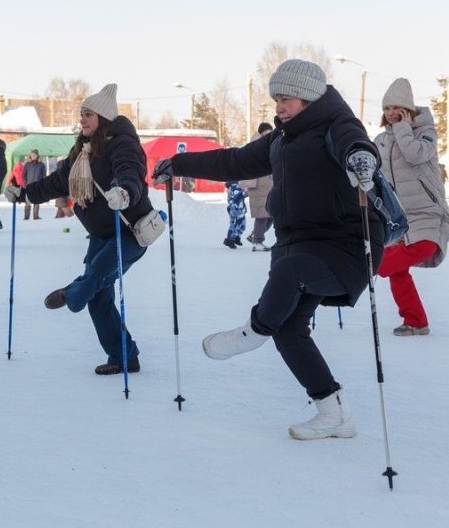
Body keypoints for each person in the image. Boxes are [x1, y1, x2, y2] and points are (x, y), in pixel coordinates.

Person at [152, 59, 384, 440]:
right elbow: (234, 160)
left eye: (286, 99)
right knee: (290, 329)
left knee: (287, 279)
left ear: (309, 98)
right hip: (300, 242)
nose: (278, 107)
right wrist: (178, 163)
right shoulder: (282, 138)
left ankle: (253, 331)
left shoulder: (338, 124)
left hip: (345, 243)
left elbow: (355, 144)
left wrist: (361, 158)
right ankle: (334, 412)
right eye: (276, 99)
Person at [6, 84, 155, 375]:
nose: (83, 120)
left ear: (103, 117)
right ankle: (124, 356)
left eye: (88, 114)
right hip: (101, 234)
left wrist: (124, 191)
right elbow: (56, 183)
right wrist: (23, 194)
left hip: (130, 230)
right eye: (81, 114)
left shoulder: (122, 144)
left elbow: (130, 171)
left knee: (97, 274)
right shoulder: (81, 151)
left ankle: (72, 294)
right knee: (99, 297)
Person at [373, 78, 449, 337]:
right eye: (387, 108)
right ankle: (415, 321)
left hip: (427, 209)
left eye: (397, 107)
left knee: (423, 246)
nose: (391, 113)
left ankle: (374, 264)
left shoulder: (425, 132)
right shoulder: (381, 140)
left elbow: (416, 154)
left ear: (408, 109)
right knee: (398, 271)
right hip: (396, 214)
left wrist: (404, 128)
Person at [239, 122, 275, 251]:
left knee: (271, 214)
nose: (269, 134)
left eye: (271, 132)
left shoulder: (268, 143)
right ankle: (257, 240)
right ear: (261, 132)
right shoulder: (256, 144)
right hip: (259, 184)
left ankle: (255, 235)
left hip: (268, 184)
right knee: (263, 215)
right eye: (267, 132)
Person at [23, 150, 46, 220]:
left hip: (37, 185)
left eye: (34, 155)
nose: (33, 156)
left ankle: (36, 216)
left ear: (37, 156)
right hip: (29, 185)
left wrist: (42, 183)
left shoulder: (41, 165)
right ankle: (26, 217)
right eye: (32, 155)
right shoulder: (27, 164)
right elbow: (24, 174)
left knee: (37, 201)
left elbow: (44, 175)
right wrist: (25, 182)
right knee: (27, 201)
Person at [223, 181, 248, 248]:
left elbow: (241, 196)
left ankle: (236, 237)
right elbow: (239, 196)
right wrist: (247, 191)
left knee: (242, 225)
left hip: (239, 209)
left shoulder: (237, 185)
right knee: (236, 225)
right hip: (236, 209)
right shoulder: (234, 186)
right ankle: (230, 240)